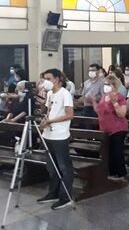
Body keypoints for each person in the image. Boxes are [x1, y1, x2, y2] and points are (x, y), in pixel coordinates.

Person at [37, 69, 74, 210]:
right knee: (52, 167)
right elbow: (47, 111)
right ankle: (53, 193)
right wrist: (44, 120)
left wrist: (51, 121)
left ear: (58, 79)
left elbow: (70, 114)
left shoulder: (65, 94)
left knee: (64, 167)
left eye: (48, 78)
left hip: (60, 135)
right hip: (48, 134)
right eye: (44, 78)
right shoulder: (50, 93)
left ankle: (66, 197)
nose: (46, 81)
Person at [93, 75, 128, 181]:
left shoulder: (119, 97)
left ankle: (120, 173)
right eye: (105, 84)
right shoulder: (104, 97)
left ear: (114, 86)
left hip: (118, 128)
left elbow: (122, 114)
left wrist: (114, 102)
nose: (106, 86)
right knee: (108, 152)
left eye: (108, 84)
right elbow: (99, 111)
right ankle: (111, 172)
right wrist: (94, 101)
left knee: (117, 152)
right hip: (105, 129)